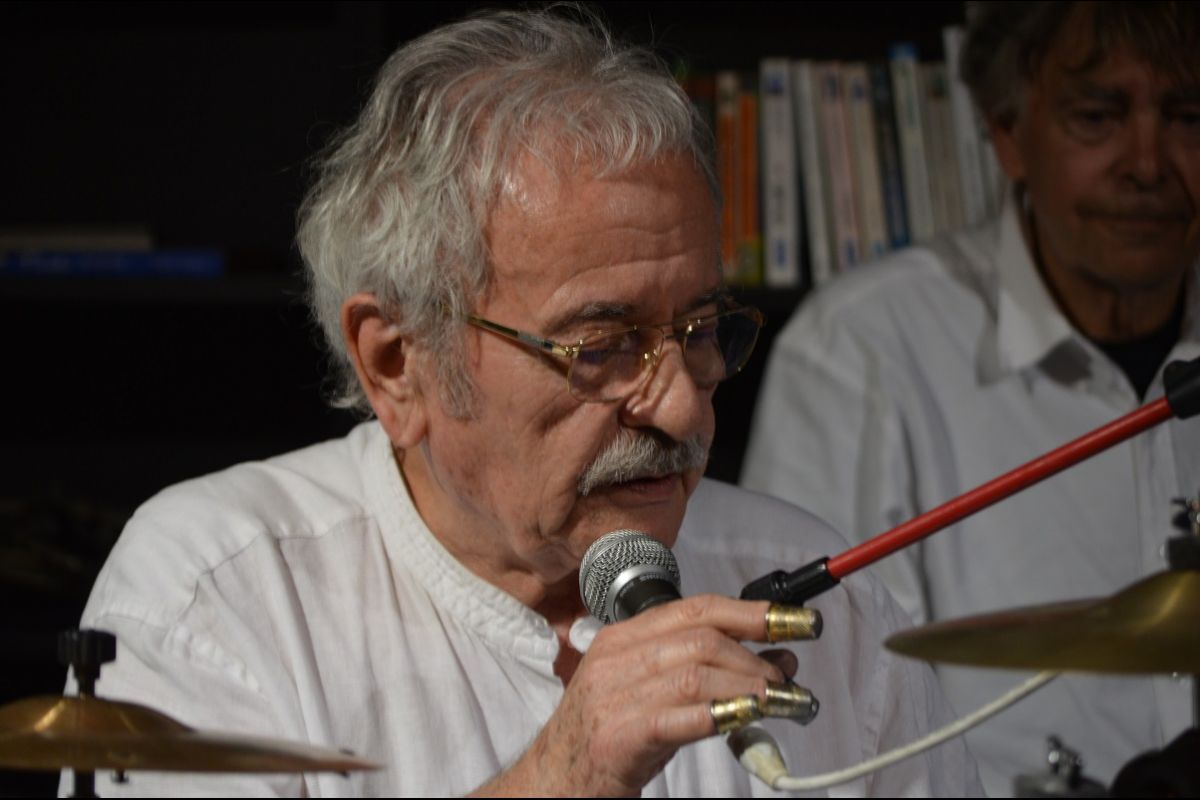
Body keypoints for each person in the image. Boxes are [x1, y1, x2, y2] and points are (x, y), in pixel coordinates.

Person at [62, 7, 982, 797]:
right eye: (602, 347)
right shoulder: (215, 595)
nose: (680, 412)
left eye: (701, 330)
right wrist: (563, 775)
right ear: (397, 363)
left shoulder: (821, 608)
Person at [742, 1, 1200, 796]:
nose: (1148, 164)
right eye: (1098, 117)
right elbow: (821, 725)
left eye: (1190, 117)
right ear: (1007, 134)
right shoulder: (859, 348)